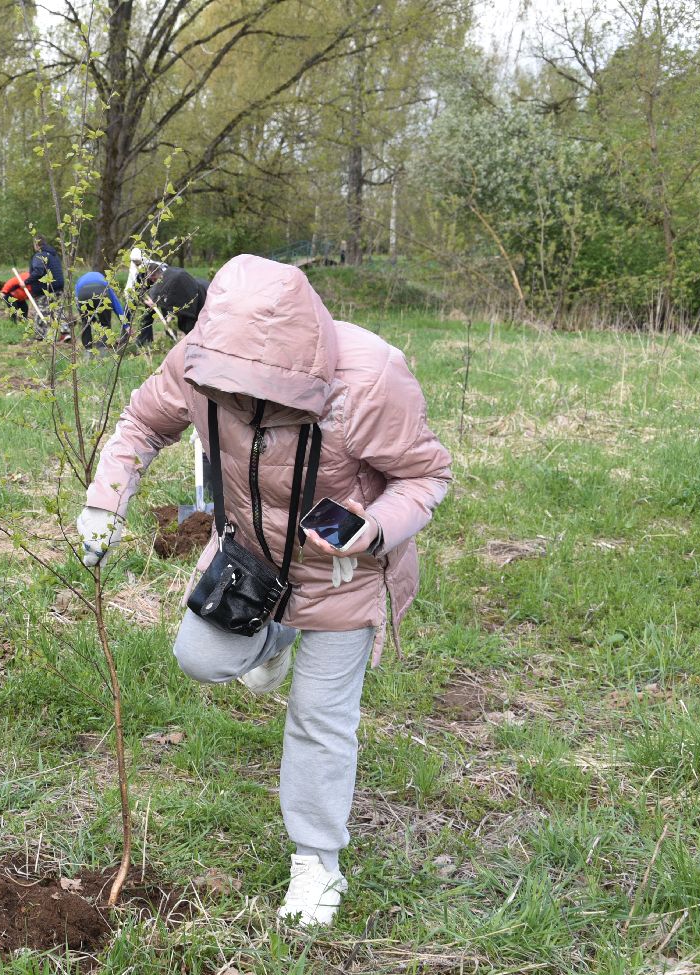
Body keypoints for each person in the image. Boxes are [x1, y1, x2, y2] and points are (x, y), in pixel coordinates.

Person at [75, 254, 451, 927]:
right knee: (199, 658)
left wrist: (372, 529)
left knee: (319, 717)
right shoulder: (199, 359)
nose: (247, 408)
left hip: (343, 575)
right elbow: (142, 424)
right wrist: (106, 501)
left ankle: (317, 863)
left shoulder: (369, 378)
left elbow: (426, 476)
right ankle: (275, 637)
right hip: (250, 560)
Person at [136, 262, 208, 347]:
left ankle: (171, 341)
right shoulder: (142, 275)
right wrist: (146, 300)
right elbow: (139, 291)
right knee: (146, 317)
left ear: (160, 274)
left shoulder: (169, 278)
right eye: (150, 279)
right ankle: (144, 343)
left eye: (154, 279)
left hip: (167, 297)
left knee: (169, 320)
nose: (152, 280)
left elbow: (172, 298)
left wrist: (169, 313)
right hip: (151, 297)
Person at [73, 269, 129, 349]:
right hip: (101, 290)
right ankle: (102, 350)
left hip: (83, 292)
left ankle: (88, 351)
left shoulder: (80, 281)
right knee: (105, 324)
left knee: (86, 323)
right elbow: (116, 303)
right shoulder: (104, 280)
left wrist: (92, 320)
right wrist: (126, 325)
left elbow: (78, 303)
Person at [28, 235, 64, 300]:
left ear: (36, 244)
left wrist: (26, 282)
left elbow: (38, 271)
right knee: (57, 306)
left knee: (44, 307)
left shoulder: (39, 255)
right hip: (59, 290)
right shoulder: (54, 255)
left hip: (44, 292)